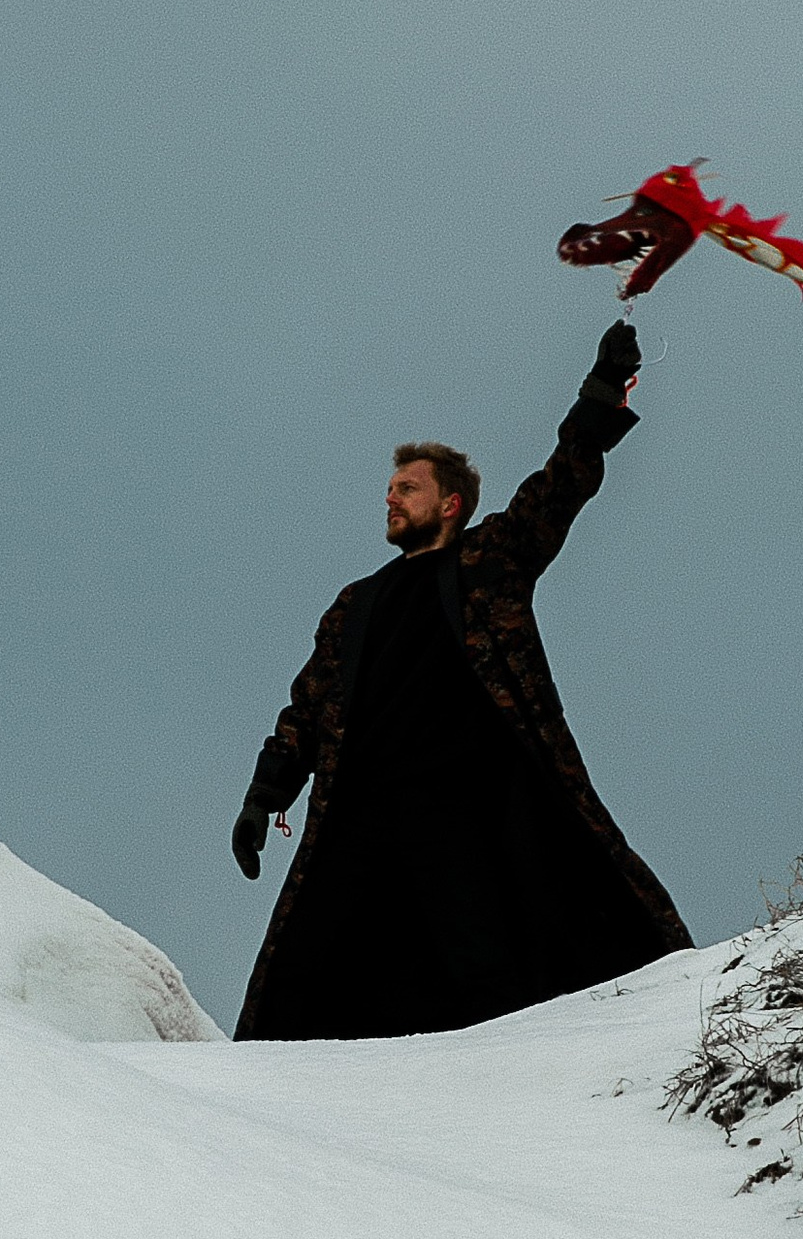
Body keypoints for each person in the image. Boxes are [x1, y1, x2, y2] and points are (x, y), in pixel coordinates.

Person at [230, 322, 691, 1041]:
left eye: (407, 488)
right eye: (388, 489)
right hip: (359, 807)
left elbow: (564, 477)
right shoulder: (355, 605)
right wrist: (265, 796)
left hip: (469, 800)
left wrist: (601, 389)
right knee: (307, 975)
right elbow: (307, 708)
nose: (390, 499)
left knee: (493, 964)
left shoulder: (491, 561)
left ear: (450, 503)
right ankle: (265, 1100)